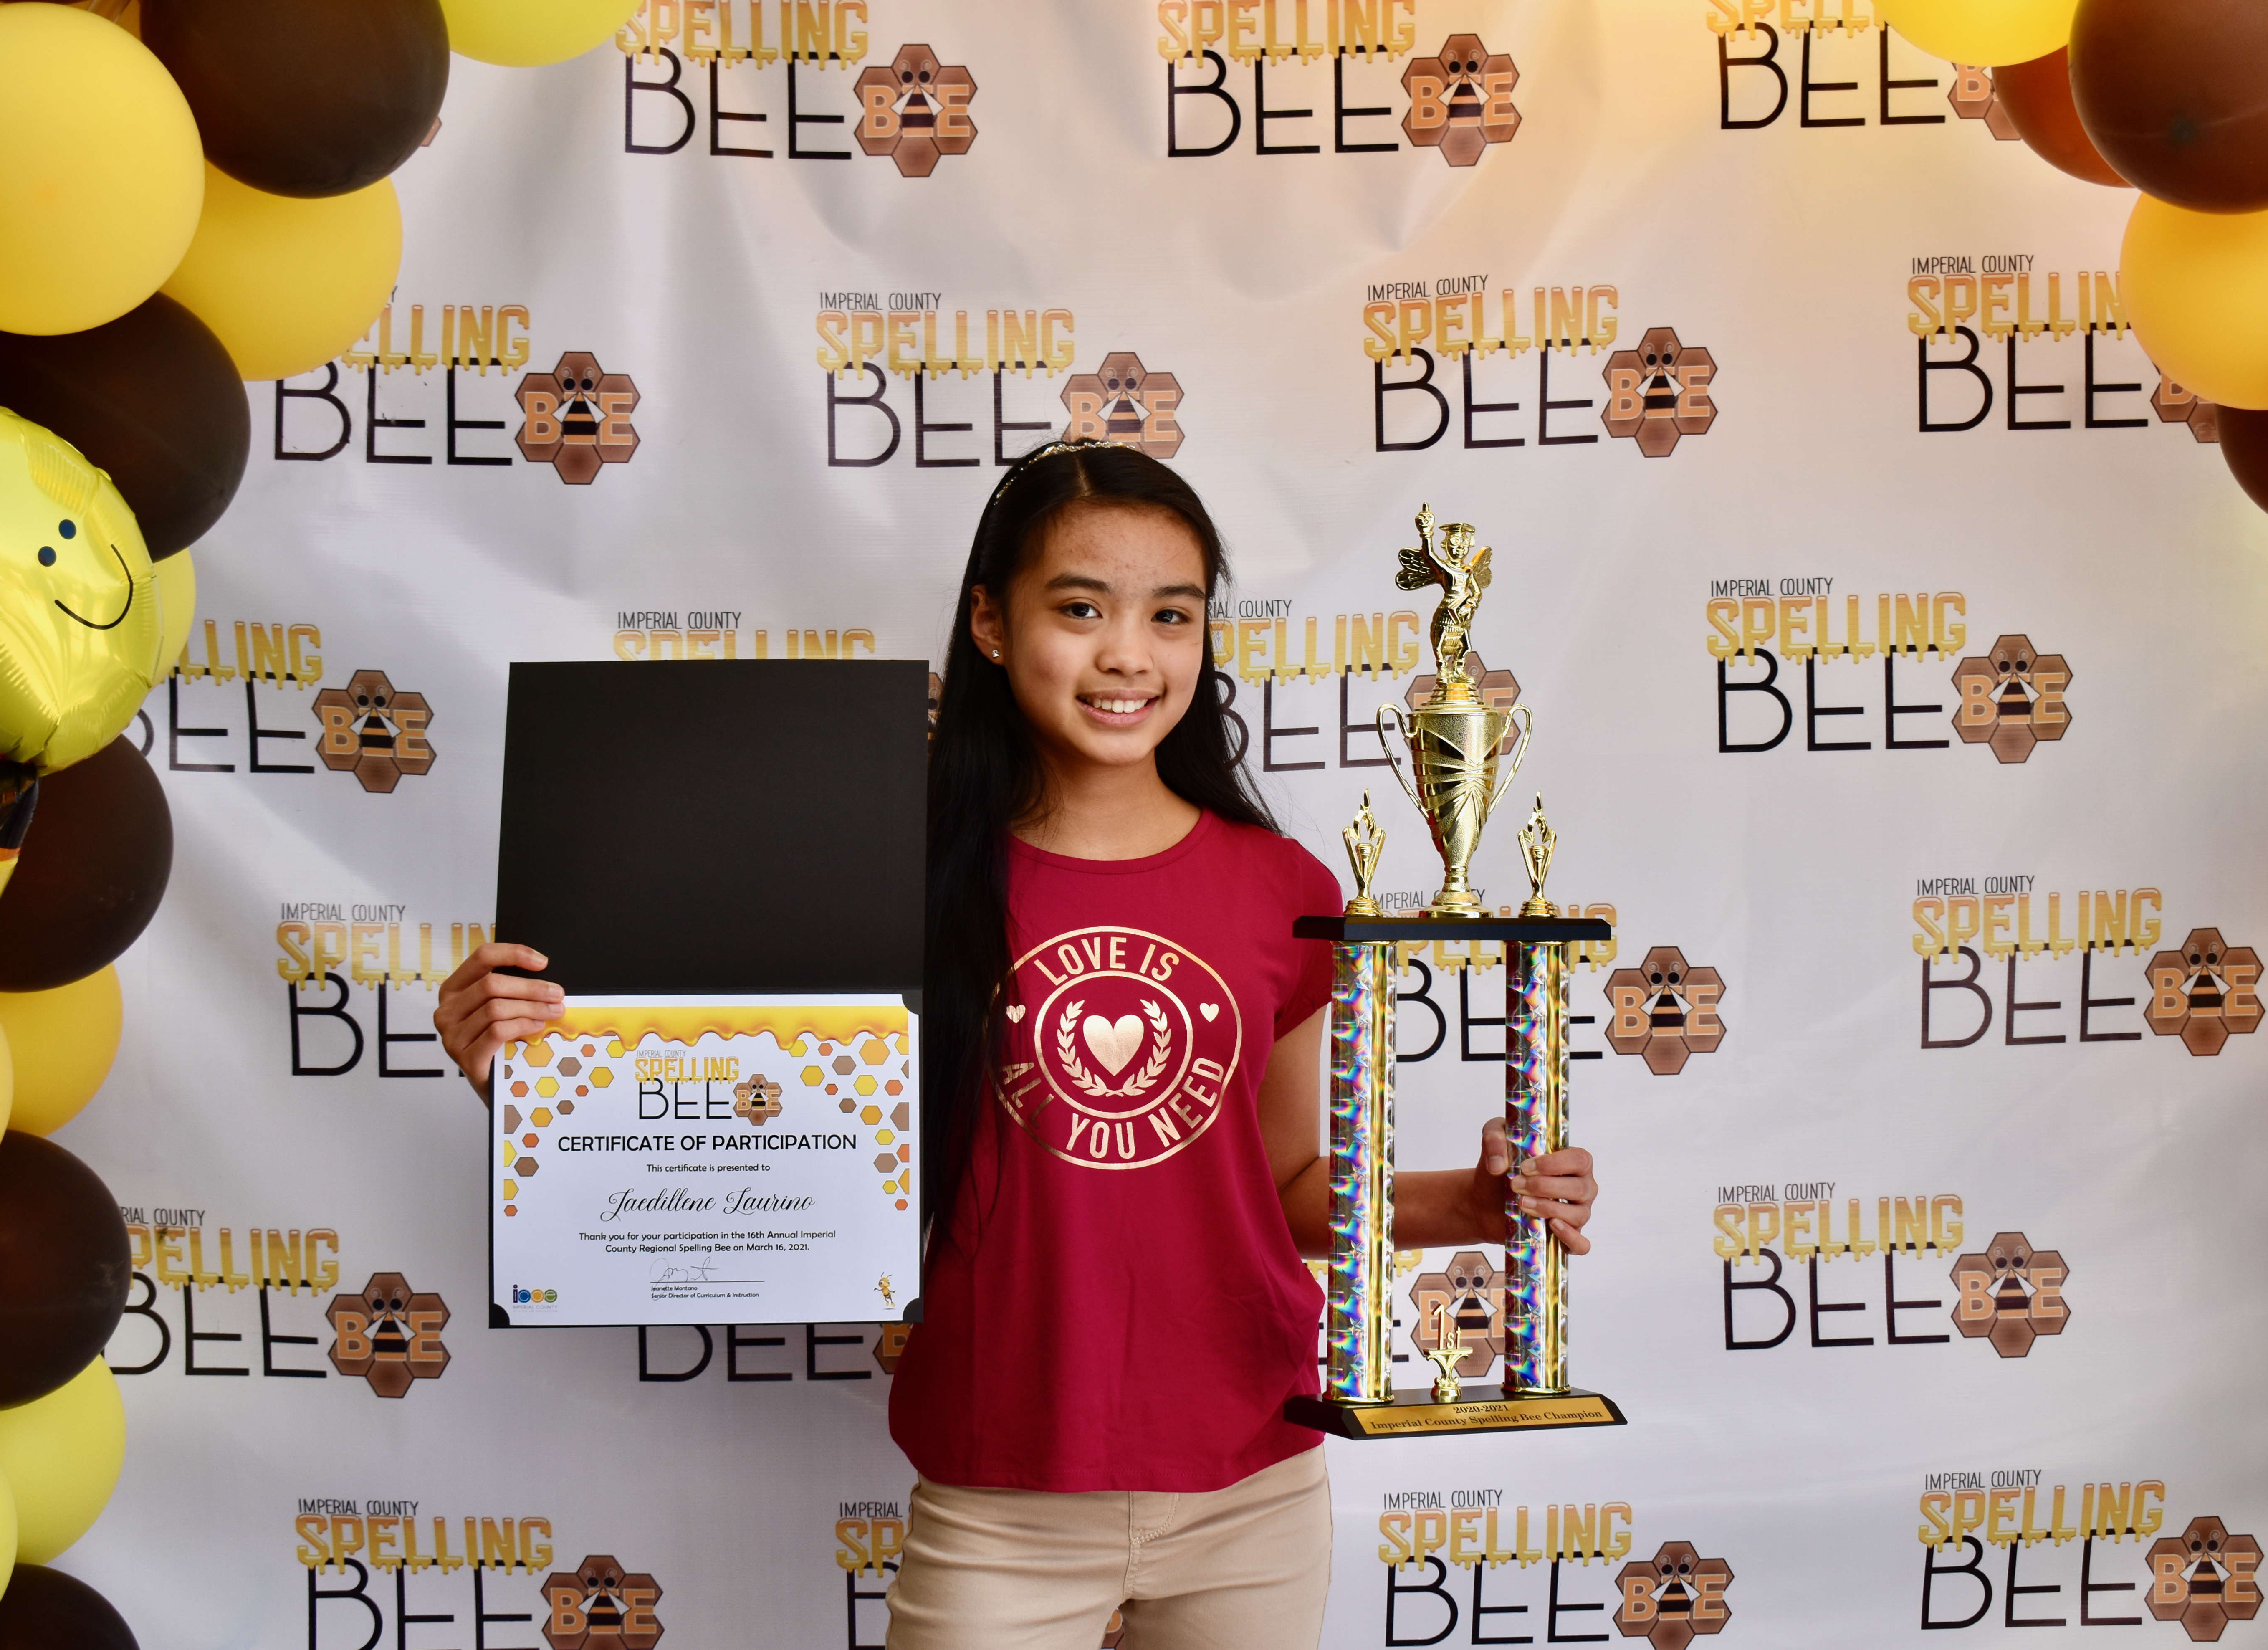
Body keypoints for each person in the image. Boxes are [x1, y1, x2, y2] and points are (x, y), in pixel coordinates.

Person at [434, 441, 1599, 1650]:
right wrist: (539, 1083)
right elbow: (746, 1111)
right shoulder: (892, 875)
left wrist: (1473, 1201)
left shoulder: (1282, 888)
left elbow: (1294, 1190)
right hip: (1003, 1494)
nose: (1127, 656)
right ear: (990, 623)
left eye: (1170, 615)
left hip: (1254, 1485)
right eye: (1080, 608)